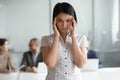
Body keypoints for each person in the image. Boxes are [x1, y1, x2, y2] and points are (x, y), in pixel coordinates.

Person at [41, 2, 88, 80]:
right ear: (54, 22)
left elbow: (80, 64)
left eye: (68, 20)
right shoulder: (46, 39)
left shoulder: (81, 39)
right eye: (60, 21)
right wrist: (56, 37)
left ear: (74, 21)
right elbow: (50, 64)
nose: (64, 25)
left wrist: (73, 37)